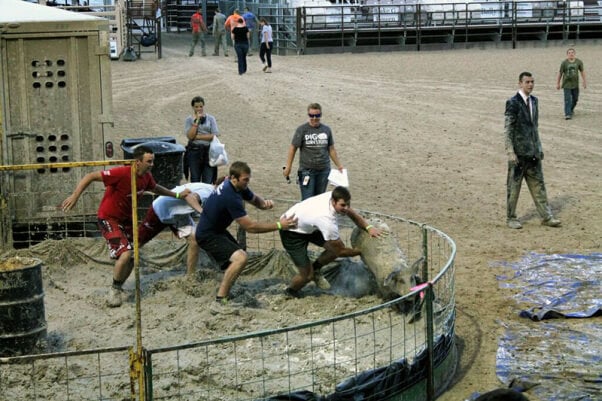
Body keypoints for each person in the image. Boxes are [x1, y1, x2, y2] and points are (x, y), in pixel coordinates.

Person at [61, 145, 191, 307]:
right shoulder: (122, 173)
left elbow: (156, 188)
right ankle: (114, 289)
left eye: (153, 161)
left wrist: (177, 194)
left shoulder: (146, 177)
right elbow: (90, 176)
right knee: (126, 253)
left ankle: (119, 286)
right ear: (137, 162)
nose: (152, 164)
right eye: (149, 161)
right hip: (109, 218)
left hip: (126, 220)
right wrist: (75, 196)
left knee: (133, 255)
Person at [195, 161, 298, 304]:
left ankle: (226, 287)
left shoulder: (237, 186)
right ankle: (221, 298)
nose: (247, 183)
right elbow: (250, 227)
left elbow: (254, 199)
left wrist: (265, 204)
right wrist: (280, 225)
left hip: (216, 230)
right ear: (233, 178)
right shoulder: (230, 196)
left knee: (236, 259)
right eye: (245, 180)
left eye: (248, 179)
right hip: (208, 234)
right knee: (241, 258)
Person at [279, 186, 380, 297]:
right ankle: (290, 292)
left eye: (348, 204)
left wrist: (368, 227)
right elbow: (340, 251)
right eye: (342, 205)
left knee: (333, 250)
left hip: (309, 225)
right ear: (333, 202)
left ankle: (316, 268)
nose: (346, 208)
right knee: (307, 275)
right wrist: (363, 251)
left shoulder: (336, 196)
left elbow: (351, 213)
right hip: (290, 230)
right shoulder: (327, 220)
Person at [504, 72, 561, 230]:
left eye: (532, 82)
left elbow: (534, 128)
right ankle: (511, 217)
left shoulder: (535, 101)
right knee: (514, 187)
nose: (530, 85)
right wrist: (510, 151)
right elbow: (508, 129)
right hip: (518, 154)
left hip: (533, 153)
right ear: (520, 83)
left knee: (539, 186)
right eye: (527, 82)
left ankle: (546, 216)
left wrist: (539, 148)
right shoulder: (513, 102)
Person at [138, 181, 216, 277]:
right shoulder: (208, 193)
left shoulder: (210, 188)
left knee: (195, 239)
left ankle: (190, 277)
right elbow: (189, 197)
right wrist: (203, 213)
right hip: (160, 209)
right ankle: (120, 258)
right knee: (138, 242)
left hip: (178, 215)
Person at [283, 103, 344, 200]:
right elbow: (293, 148)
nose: (314, 118)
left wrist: (339, 165)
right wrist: (288, 167)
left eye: (317, 115)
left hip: (324, 170)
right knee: (307, 200)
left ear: (321, 115)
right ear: (308, 115)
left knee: (319, 199)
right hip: (307, 171)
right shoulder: (302, 130)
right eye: (312, 115)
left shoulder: (326, 130)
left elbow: (331, 149)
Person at [185, 96, 219, 184]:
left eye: (201, 106)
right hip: (194, 151)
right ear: (193, 107)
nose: (199, 109)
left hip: (208, 152)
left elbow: (215, 135)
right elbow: (190, 136)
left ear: (203, 106)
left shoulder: (211, 118)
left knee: (208, 180)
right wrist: (197, 121)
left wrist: (198, 137)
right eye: (196, 107)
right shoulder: (189, 120)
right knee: (195, 179)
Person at [555, 48, 586, 120]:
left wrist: (584, 81)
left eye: (572, 53)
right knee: (567, 99)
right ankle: (567, 114)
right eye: (569, 53)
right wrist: (558, 83)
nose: (571, 54)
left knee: (575, 99)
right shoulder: (564, 63)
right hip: (566, 84)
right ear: (567, 54)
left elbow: (582, 72)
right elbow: (560, 73)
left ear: (574, 54)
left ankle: (571, 109)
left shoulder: (579, 62)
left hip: (575, 84)